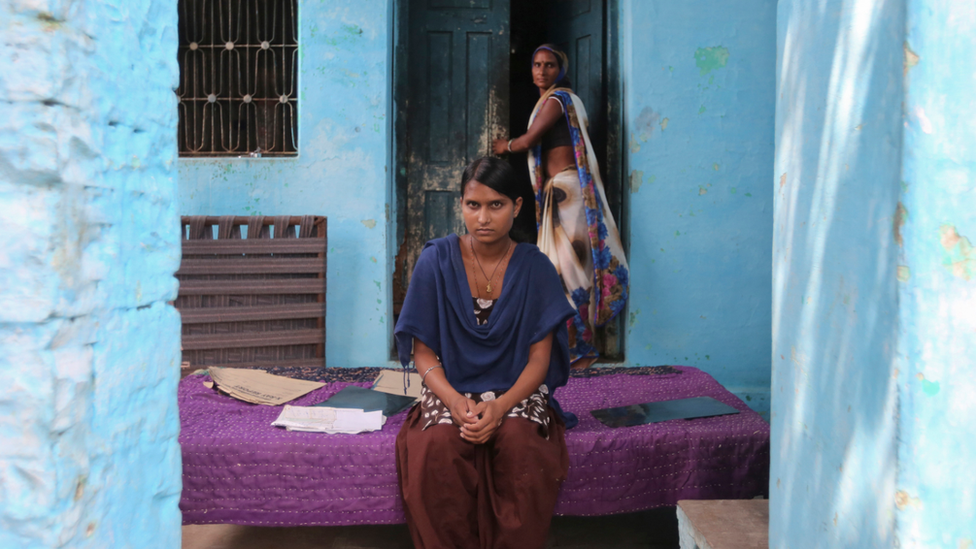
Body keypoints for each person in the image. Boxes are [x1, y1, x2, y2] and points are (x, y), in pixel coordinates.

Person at [394, 157, 577, 549]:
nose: (483, 217)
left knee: (522, 442)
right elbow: (424, 354)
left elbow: (539, 361)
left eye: (496, 205)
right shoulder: (436, 261)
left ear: (517, 207)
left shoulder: (536, 268)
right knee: (436, 446)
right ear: (460, 205)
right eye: (472, 205)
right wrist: (454, 400)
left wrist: (502, 405)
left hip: (517, 388)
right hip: (452, 386)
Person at [493, 44, 629, 367]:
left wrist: (504, 146)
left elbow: (528, 141)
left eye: (550, 65)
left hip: (569, 193)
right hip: (564, 193)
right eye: (537, 64)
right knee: (561, 270)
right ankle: (568, 347)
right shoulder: (555, 101)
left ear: (561, 70)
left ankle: (584, 349)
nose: (542, 71)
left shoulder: (557, 100)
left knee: (567, 271)